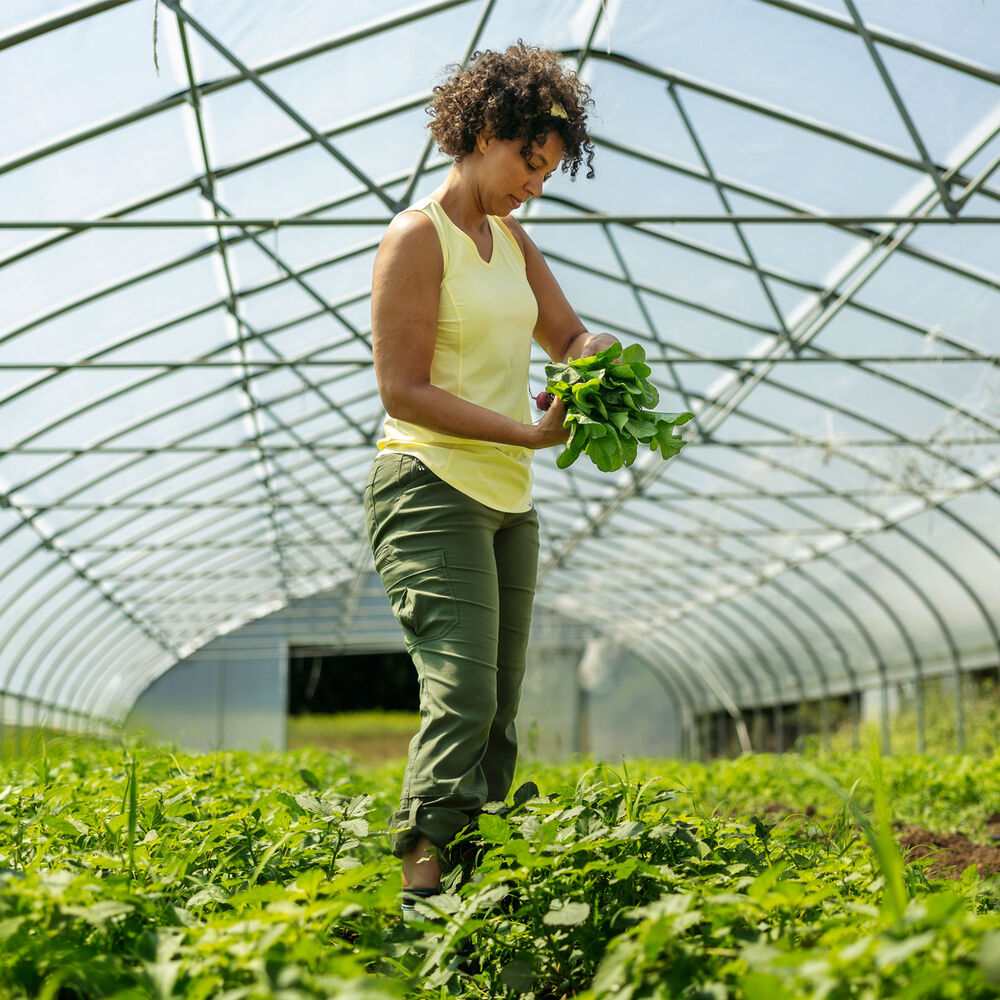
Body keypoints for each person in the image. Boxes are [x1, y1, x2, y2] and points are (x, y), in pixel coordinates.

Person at [364, 40, 619, 914]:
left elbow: (568, 336)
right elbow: (403, 388)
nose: (534, 185)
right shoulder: (415, 238)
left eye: (547, 171)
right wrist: (522, 429)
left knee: (501, 701)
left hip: (509, 496)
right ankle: (422, 874)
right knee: (464, 686)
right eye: (527, 162)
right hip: (428, 485)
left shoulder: (514, 243)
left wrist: (597, 354)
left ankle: (483, 864)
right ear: (481, 132)